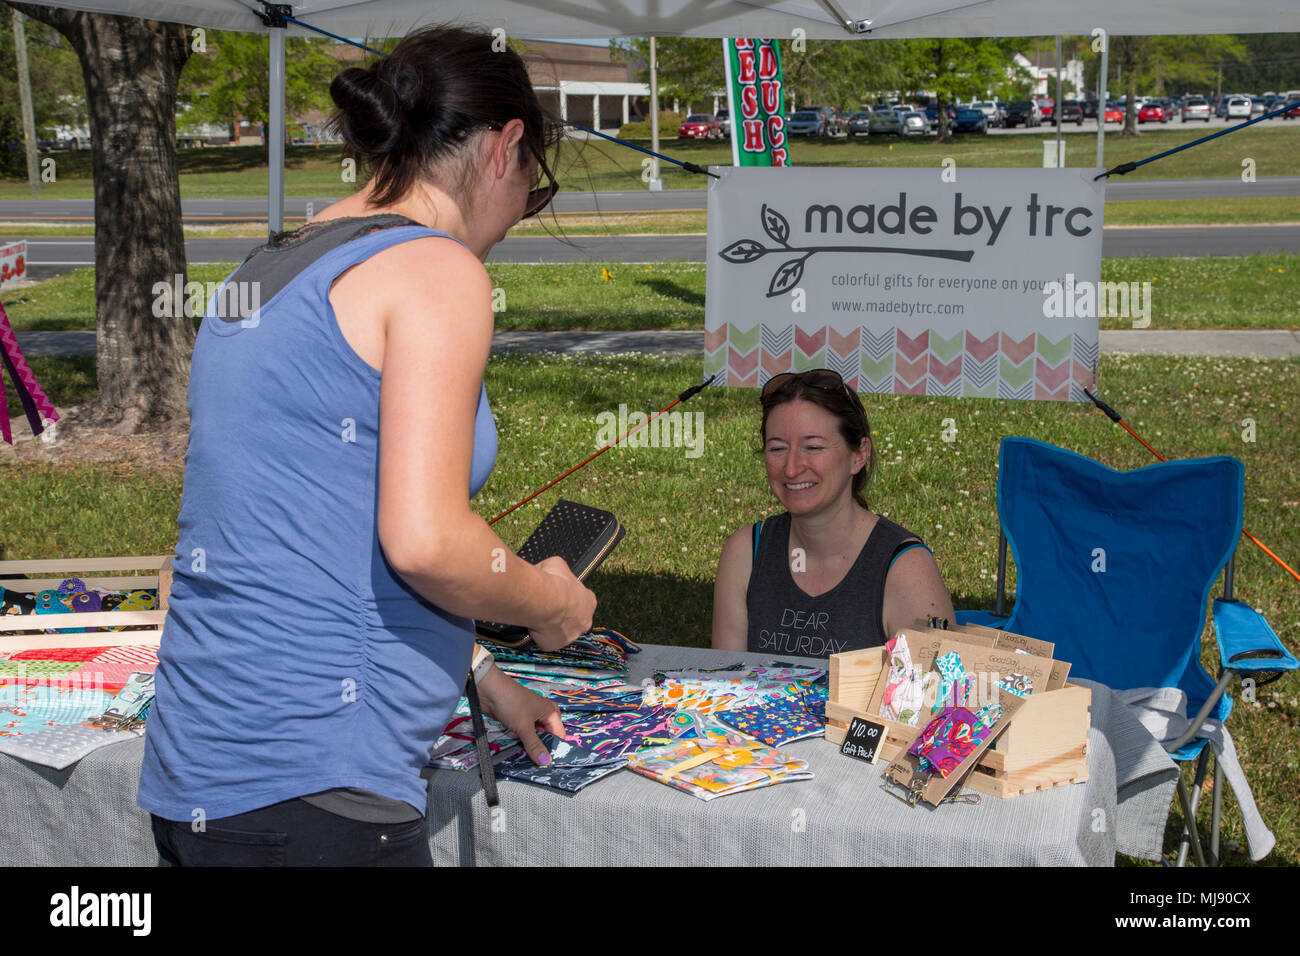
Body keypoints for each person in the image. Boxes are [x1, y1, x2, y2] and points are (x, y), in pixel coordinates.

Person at [137, 25, 596, 866]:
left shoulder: (266, 266)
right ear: (508, 147)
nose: (518, 220)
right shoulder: (436, 269)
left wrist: (485, 678)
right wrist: (549, 601)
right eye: (536, 190)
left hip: (200, 765)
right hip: (317, 787)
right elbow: (424, 543)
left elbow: (307, 529)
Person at [712, 369, 953, 658]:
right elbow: (723, 683)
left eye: (813, 447)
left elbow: (935, 698)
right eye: (777, 448)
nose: (791, 468)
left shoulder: (905, 570)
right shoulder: (745, 553)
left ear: (859, 455)